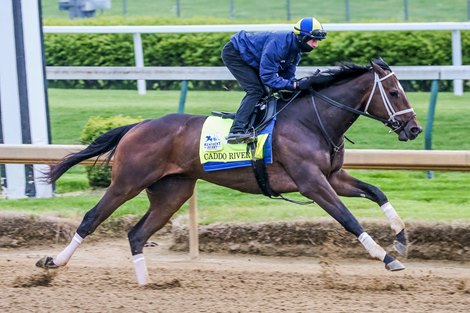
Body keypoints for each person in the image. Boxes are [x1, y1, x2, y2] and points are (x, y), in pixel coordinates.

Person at [221, 17, 327, 144]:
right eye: (314, 40)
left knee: (267, 92)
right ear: (302, 37)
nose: (316, 45)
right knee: (256, 90)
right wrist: (295, 85)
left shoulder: (296, 52)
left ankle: (250, 122)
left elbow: (288, 79)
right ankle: (236, 131)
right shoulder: (279, 44)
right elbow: (268, 78)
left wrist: (300, 84)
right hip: (235, 53)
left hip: (252, 57)